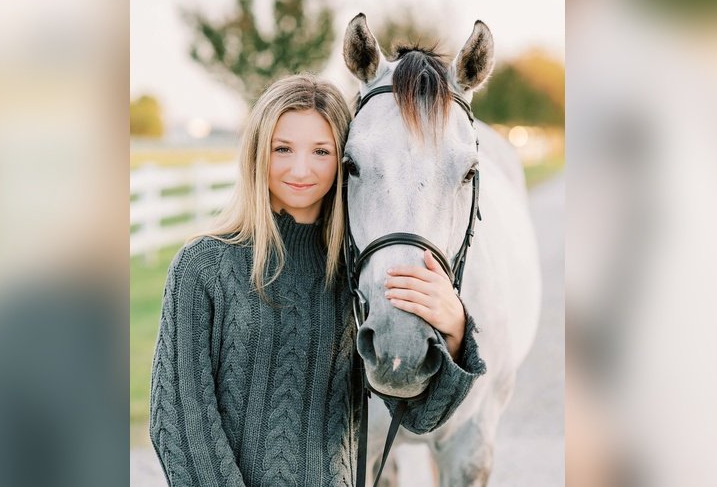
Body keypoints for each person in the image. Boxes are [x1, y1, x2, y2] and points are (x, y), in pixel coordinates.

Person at [149, 73, 485, 486]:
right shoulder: (202, 267)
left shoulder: (356, 278)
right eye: (283, 148)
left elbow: (416, 414)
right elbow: (181, 424)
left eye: (321, 151)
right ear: (257, 153)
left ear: (343, 159)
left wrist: (453, 330)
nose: (301, 168)